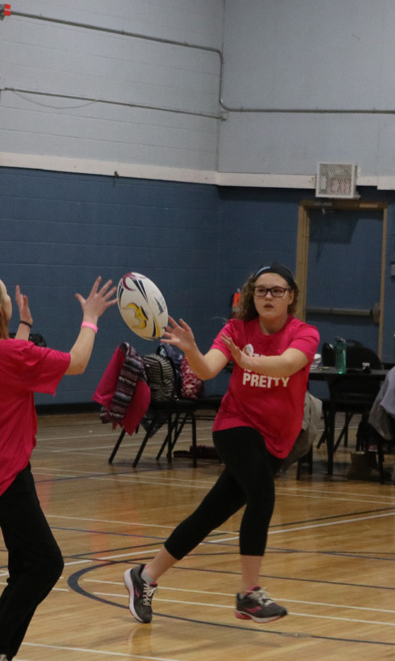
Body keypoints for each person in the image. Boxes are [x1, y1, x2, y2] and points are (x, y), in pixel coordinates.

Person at [0, 264, 116, 661]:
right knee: (46, 563)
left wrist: (24, 324)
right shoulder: (7, 353)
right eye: (5, 293)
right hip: (4, 472)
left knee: (25, 564)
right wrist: (91, 318)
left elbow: (15, 360)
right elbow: (77, 363)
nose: (10, 296)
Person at [123, 262, 319, 625]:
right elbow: (207, 369)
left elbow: (288, 365)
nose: (268, 297)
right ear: (252, 295)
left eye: (276, 291)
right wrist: (192, 350)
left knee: (209, 515)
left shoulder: (304, 333)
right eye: (261, 290)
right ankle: (249, 594)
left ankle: (145, 576)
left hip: (276, 441)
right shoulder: (235, 329)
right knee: (262, 493)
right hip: (236, 426)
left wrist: (251, 361)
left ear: (291, 297)